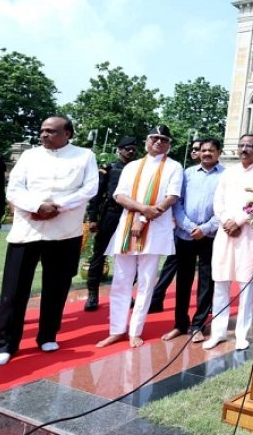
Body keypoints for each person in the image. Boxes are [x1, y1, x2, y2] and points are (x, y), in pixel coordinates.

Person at [0, 116, 98, 365]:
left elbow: (89, 189)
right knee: (14, 289)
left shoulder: (85, 156)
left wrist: (57, 207)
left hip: (64, 230)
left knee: (57, 287)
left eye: (51, 131)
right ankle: (5, 343)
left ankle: (47, 336)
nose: (44, 135)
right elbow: (14, 188)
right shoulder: (30, 156)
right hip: (28, 227)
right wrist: (38, 206)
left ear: (68, 134)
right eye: (42, 131)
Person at [97, 125, 183, 349]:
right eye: (154, 138)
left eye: (164, 139)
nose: (158, 142)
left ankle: (135, 330)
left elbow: (172, 196)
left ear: (169, 144)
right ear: (147, 141)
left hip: (155, 229)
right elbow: (119, 194)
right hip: (127, 227)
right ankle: (116, 330)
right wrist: (143, 210)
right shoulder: (133, 166)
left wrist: (147, 215)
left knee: (146, 282)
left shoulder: (173, 166)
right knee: (121, 280)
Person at [204, 134, 253, 351]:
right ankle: (219, 332)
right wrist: (225, 220)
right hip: (225, 232)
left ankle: (242, 334)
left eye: (249, 146)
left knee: (246, 285)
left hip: (249, 234)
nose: (244, 149)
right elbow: (218, 200)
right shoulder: (228, 172)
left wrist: (240, 221)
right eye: (241, 145)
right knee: (221, 282)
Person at [162, 138, 224, 343]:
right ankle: (180, 324)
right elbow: (176, 203)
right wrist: (189, 227)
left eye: (211, 150)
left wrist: (205, 228)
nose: (206, 153)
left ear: (219, 152)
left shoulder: (225, 176)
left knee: (207, 282)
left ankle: (198, 325)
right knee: (183, 281)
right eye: (204, 150)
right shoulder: (187, 173)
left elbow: (224, 207)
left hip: (210, 236)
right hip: (185, 235)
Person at [83, 136, 138, 312]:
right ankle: (93, 294)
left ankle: (125, 292)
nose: (130, 151)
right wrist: (92, 218)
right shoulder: (109, 168)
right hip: (110, 215)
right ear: (119, 150)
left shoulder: (138, 170)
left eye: (133, 149)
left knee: (128, 257)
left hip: (129, 215)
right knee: (99, 256)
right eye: (127, 148)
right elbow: (97, 195)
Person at [149, 138, 203, 313]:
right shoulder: (184, 172)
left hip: (205, 231)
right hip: (182, 228)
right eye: (193, 149)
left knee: (206, 269)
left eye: (198, 149)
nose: (195, 152)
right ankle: (157, 298)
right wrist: (183, 223)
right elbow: (176, 200)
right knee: (171, 263)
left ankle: (205, 304)